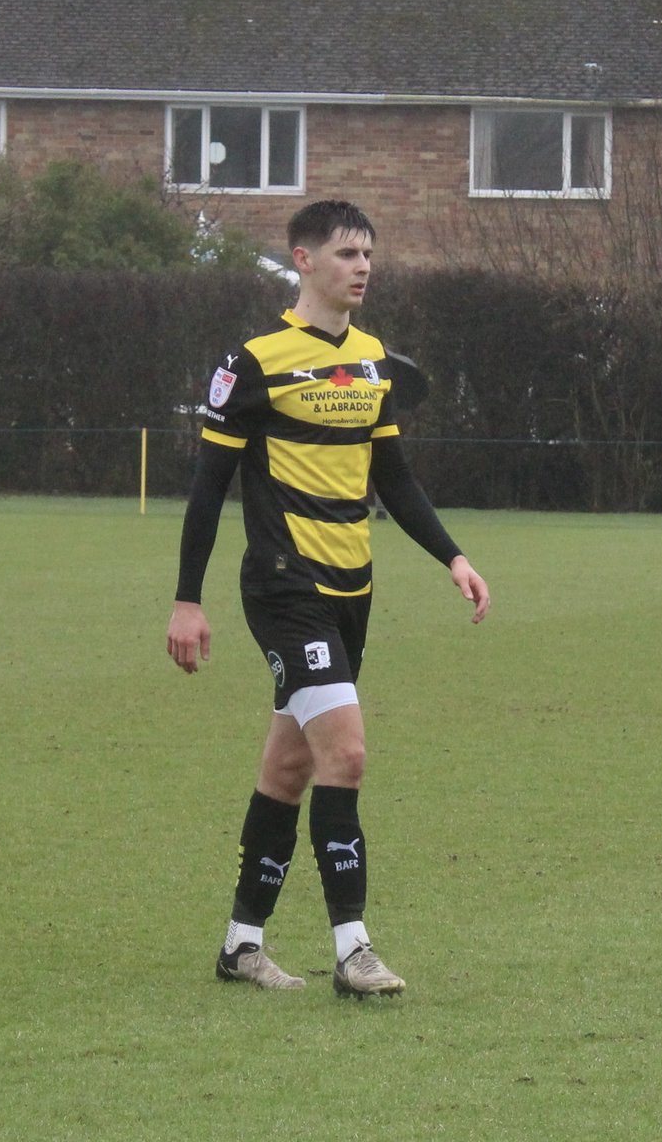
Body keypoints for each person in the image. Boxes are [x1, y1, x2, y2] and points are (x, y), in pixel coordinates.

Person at [166, 200, 490, 994]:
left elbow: (394, 478)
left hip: (354, 588)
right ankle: (354, 949)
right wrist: (186, 599)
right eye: (347, 253)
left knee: (288, 770)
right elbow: (208, 489)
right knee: (344, 752)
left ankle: (242, 946)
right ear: (302, 260)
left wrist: (451, 555)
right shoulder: (254, 361)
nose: (363, 266)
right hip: (284, 586)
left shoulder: (374, 361)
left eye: (369, 254)